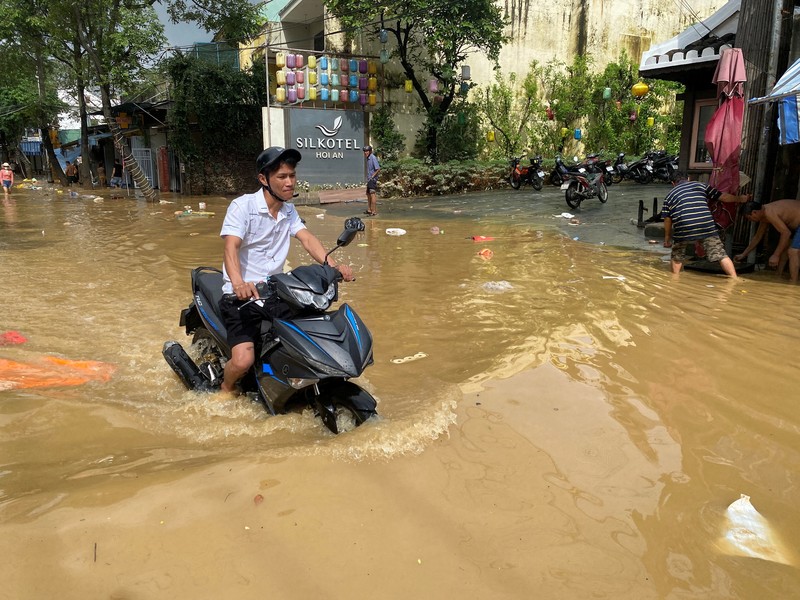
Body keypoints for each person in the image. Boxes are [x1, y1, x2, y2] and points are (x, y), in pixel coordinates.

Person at [218, 146, 355, 394]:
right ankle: (226, 388)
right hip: (242, 297)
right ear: (263, 179)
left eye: (292, 175)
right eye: (282, 177)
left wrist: (334, 267)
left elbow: (307, 239)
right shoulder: (243, 207)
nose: (290, 182)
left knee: (310, 332)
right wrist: (238, 283)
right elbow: (231, 247)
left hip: (274, 292)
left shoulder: (288, 210)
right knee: (243, 360)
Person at [661, 172, 750, 277]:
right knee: (720, 254)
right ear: (688, 178)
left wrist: (667, 238)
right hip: (705, 224)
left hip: (684, 226)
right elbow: (723, 197)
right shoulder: (700, 185)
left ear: (673, 183)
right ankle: (734, 278)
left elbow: (667, 219)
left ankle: (674, 279)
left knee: (677, 255)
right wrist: (740, 199)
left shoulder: (669, 196)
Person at [734, 199, 800, 282]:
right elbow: (758, 236)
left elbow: (786, 233)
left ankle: (793, 283)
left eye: (749, 218)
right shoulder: (764, 214)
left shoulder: (770, 213)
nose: (750, 220)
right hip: (796, 225)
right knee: (785, 249)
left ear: (754, 212)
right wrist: (743, 254)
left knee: (793, 251)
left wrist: (776, 255)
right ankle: (778, 275)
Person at [363, 145, 380, 216]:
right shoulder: (368, 158)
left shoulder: (373, 158)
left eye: (367, 151)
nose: (365, 152)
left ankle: (374, 211)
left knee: (372, 194)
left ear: (370, 151)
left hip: (372, 179)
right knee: (368, 194)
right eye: (364, 151)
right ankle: (369, 210)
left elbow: (378, 169)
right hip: (369, 179)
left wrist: (372, 176)